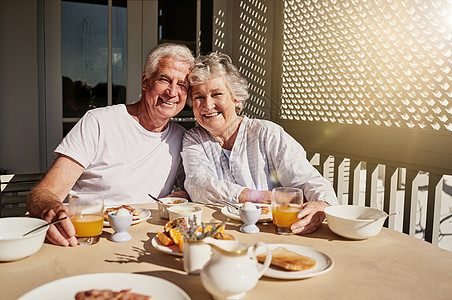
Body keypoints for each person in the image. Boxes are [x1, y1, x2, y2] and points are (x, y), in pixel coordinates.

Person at [27, 43, 194, 246]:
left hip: (144, 240)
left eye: (182, 85)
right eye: (164, 80)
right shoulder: (99, 122)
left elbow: (196, 188)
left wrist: (185, 194)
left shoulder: (181, 138)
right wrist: (50, 208)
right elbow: (44, 193)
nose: (172, 92)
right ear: (145, 81)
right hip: (87, 236)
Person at [181, 52, 339, 234]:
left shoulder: (267, 133)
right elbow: (198, 184)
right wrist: (262, 197)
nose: (207, 105)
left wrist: (322, 204)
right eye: (199, 97)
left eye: (217, 94)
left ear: (235, 98)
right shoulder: (193, 139)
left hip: (274, 232)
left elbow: (308, 180)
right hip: (219, 233)